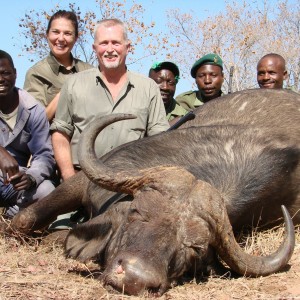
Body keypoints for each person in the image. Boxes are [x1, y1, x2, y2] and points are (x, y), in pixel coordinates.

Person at [50, 18, 169, 181]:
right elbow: (60, 133)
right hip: (81, 178)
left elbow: (160, 140)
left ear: (128, 47)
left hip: (130, 179)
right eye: (104, 43)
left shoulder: (149, 87)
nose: (110, 49)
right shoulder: (73, 84)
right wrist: (69, 177)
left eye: (116, 43)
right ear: (94, 48)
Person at [0, 50, 56, 218]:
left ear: (15, 74)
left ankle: (13, 217)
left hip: (15, 183)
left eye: (6, 73)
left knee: (48, 191)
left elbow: (44, 155)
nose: (1, 79)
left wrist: (31, 177)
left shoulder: (34, 110)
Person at [23, 10, 93, 122]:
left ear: (75, 39)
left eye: (67, 33)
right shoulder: (36, 73)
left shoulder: (90, 71)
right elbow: (35, 123)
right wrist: (66, 92)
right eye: (56, 32)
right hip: (52, 138)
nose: (61, 38)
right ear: (47, 35)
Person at [148, 61, 188, 126]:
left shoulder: (184, 116)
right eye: (159, 81)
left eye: (171, 83)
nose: (165, 87)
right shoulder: (135, 106)